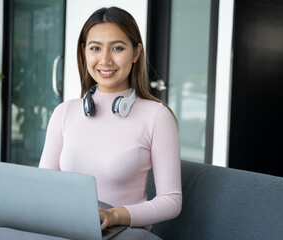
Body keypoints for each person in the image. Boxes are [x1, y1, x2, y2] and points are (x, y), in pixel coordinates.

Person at [39, 6, 182, 239]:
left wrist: (115, 215)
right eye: (95, 48)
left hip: (122, 232)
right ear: (84, 52)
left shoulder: (157, 115)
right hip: (67, 227)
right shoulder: (64, 112)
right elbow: (43, 185)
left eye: (117, 48)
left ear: (136, 53)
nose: (105, 60)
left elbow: (171, 201)